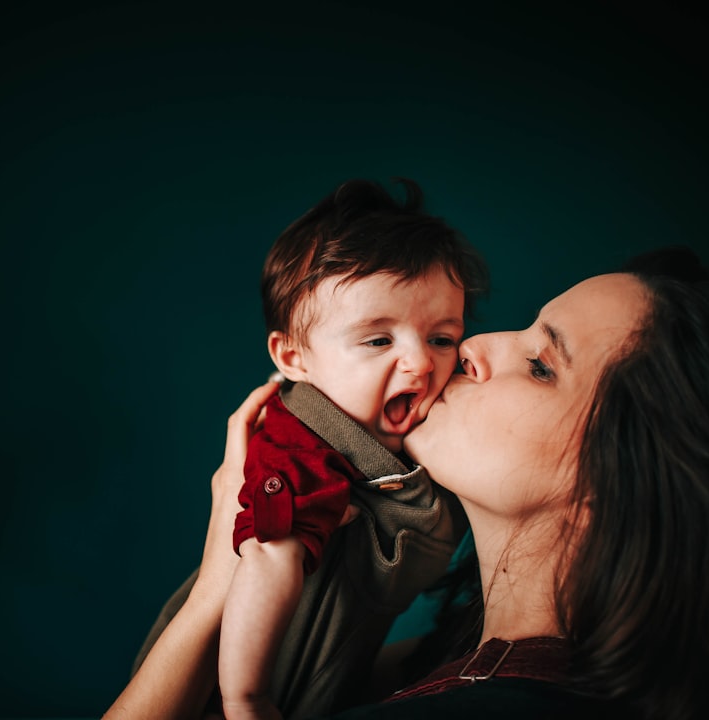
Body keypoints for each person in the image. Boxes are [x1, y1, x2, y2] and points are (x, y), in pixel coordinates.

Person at [103, 246, 709, 719]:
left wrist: (223, 571)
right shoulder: (454, 667)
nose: (472, 347)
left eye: (541, 364)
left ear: (624, 486)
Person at [130, 178, 489, 720]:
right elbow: (269, 555)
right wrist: (245, 697)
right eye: (378, 340)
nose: (421, 363)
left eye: (441, 337)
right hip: (225, 682)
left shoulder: (422, 435)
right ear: (294, 358)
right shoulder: (301, 442)